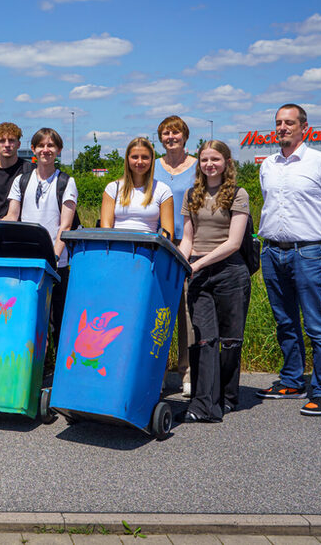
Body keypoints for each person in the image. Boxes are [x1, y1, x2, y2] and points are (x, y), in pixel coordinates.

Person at [256, 103, 321, 416]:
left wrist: (314, 236)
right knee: (285, 321)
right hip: (271, 251)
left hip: (306, 252)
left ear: (303, 127)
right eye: (279, 123)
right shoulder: (268, 164)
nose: (283, 128)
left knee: (316, 324)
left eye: (289, 123)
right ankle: (292, 380)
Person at [177, 140, 251, 423]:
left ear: (226, 162)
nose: (209, 164)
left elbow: (233, 242)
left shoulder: (237, 194)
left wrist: (198, 264)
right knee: (205, 338)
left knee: (231, 340)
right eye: (205, 160)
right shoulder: (191, 194)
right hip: (198, 272)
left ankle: (228, 397)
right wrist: (184, 263)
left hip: (230, 271)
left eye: (215, 159)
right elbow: (187, 239)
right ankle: (203, 403)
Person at [4, 128, 77, 375]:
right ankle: (35, 367)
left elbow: (65, 226)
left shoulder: (66, 182)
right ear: (33, 149)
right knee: (31, 317)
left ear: (58, 150)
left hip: (57, 263)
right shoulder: (22, 180)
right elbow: (13, 216)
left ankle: (61, 371)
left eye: (51, 145)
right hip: (27, 262)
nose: (46, 150)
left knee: (57, 319)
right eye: (41, 145)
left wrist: (53, 258)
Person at [155, 115, 197, 397]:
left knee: (186, 310)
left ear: (185, 136)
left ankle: (187, 372)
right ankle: (154, 371)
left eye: (176, 133)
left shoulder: (197, 166)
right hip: (159, 244)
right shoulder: (152, 165)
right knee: (157, 309)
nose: (171, 137)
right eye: (166, 134)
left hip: (189, 243)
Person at [101, 137, 174, 237]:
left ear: (152, 160)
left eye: (145, 157)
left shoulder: (163, 190)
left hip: (148, 249)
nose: (140, 162)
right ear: (127, 159)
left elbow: (167, 234)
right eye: (135, 157)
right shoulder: (113, 188)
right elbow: (106, 229)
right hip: (117, 247)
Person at [0, 122, 29, 221]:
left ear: (18, 144)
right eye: (2, 141)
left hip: (25, 230)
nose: (7, 145)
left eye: (11, 140)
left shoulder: (30, 171)